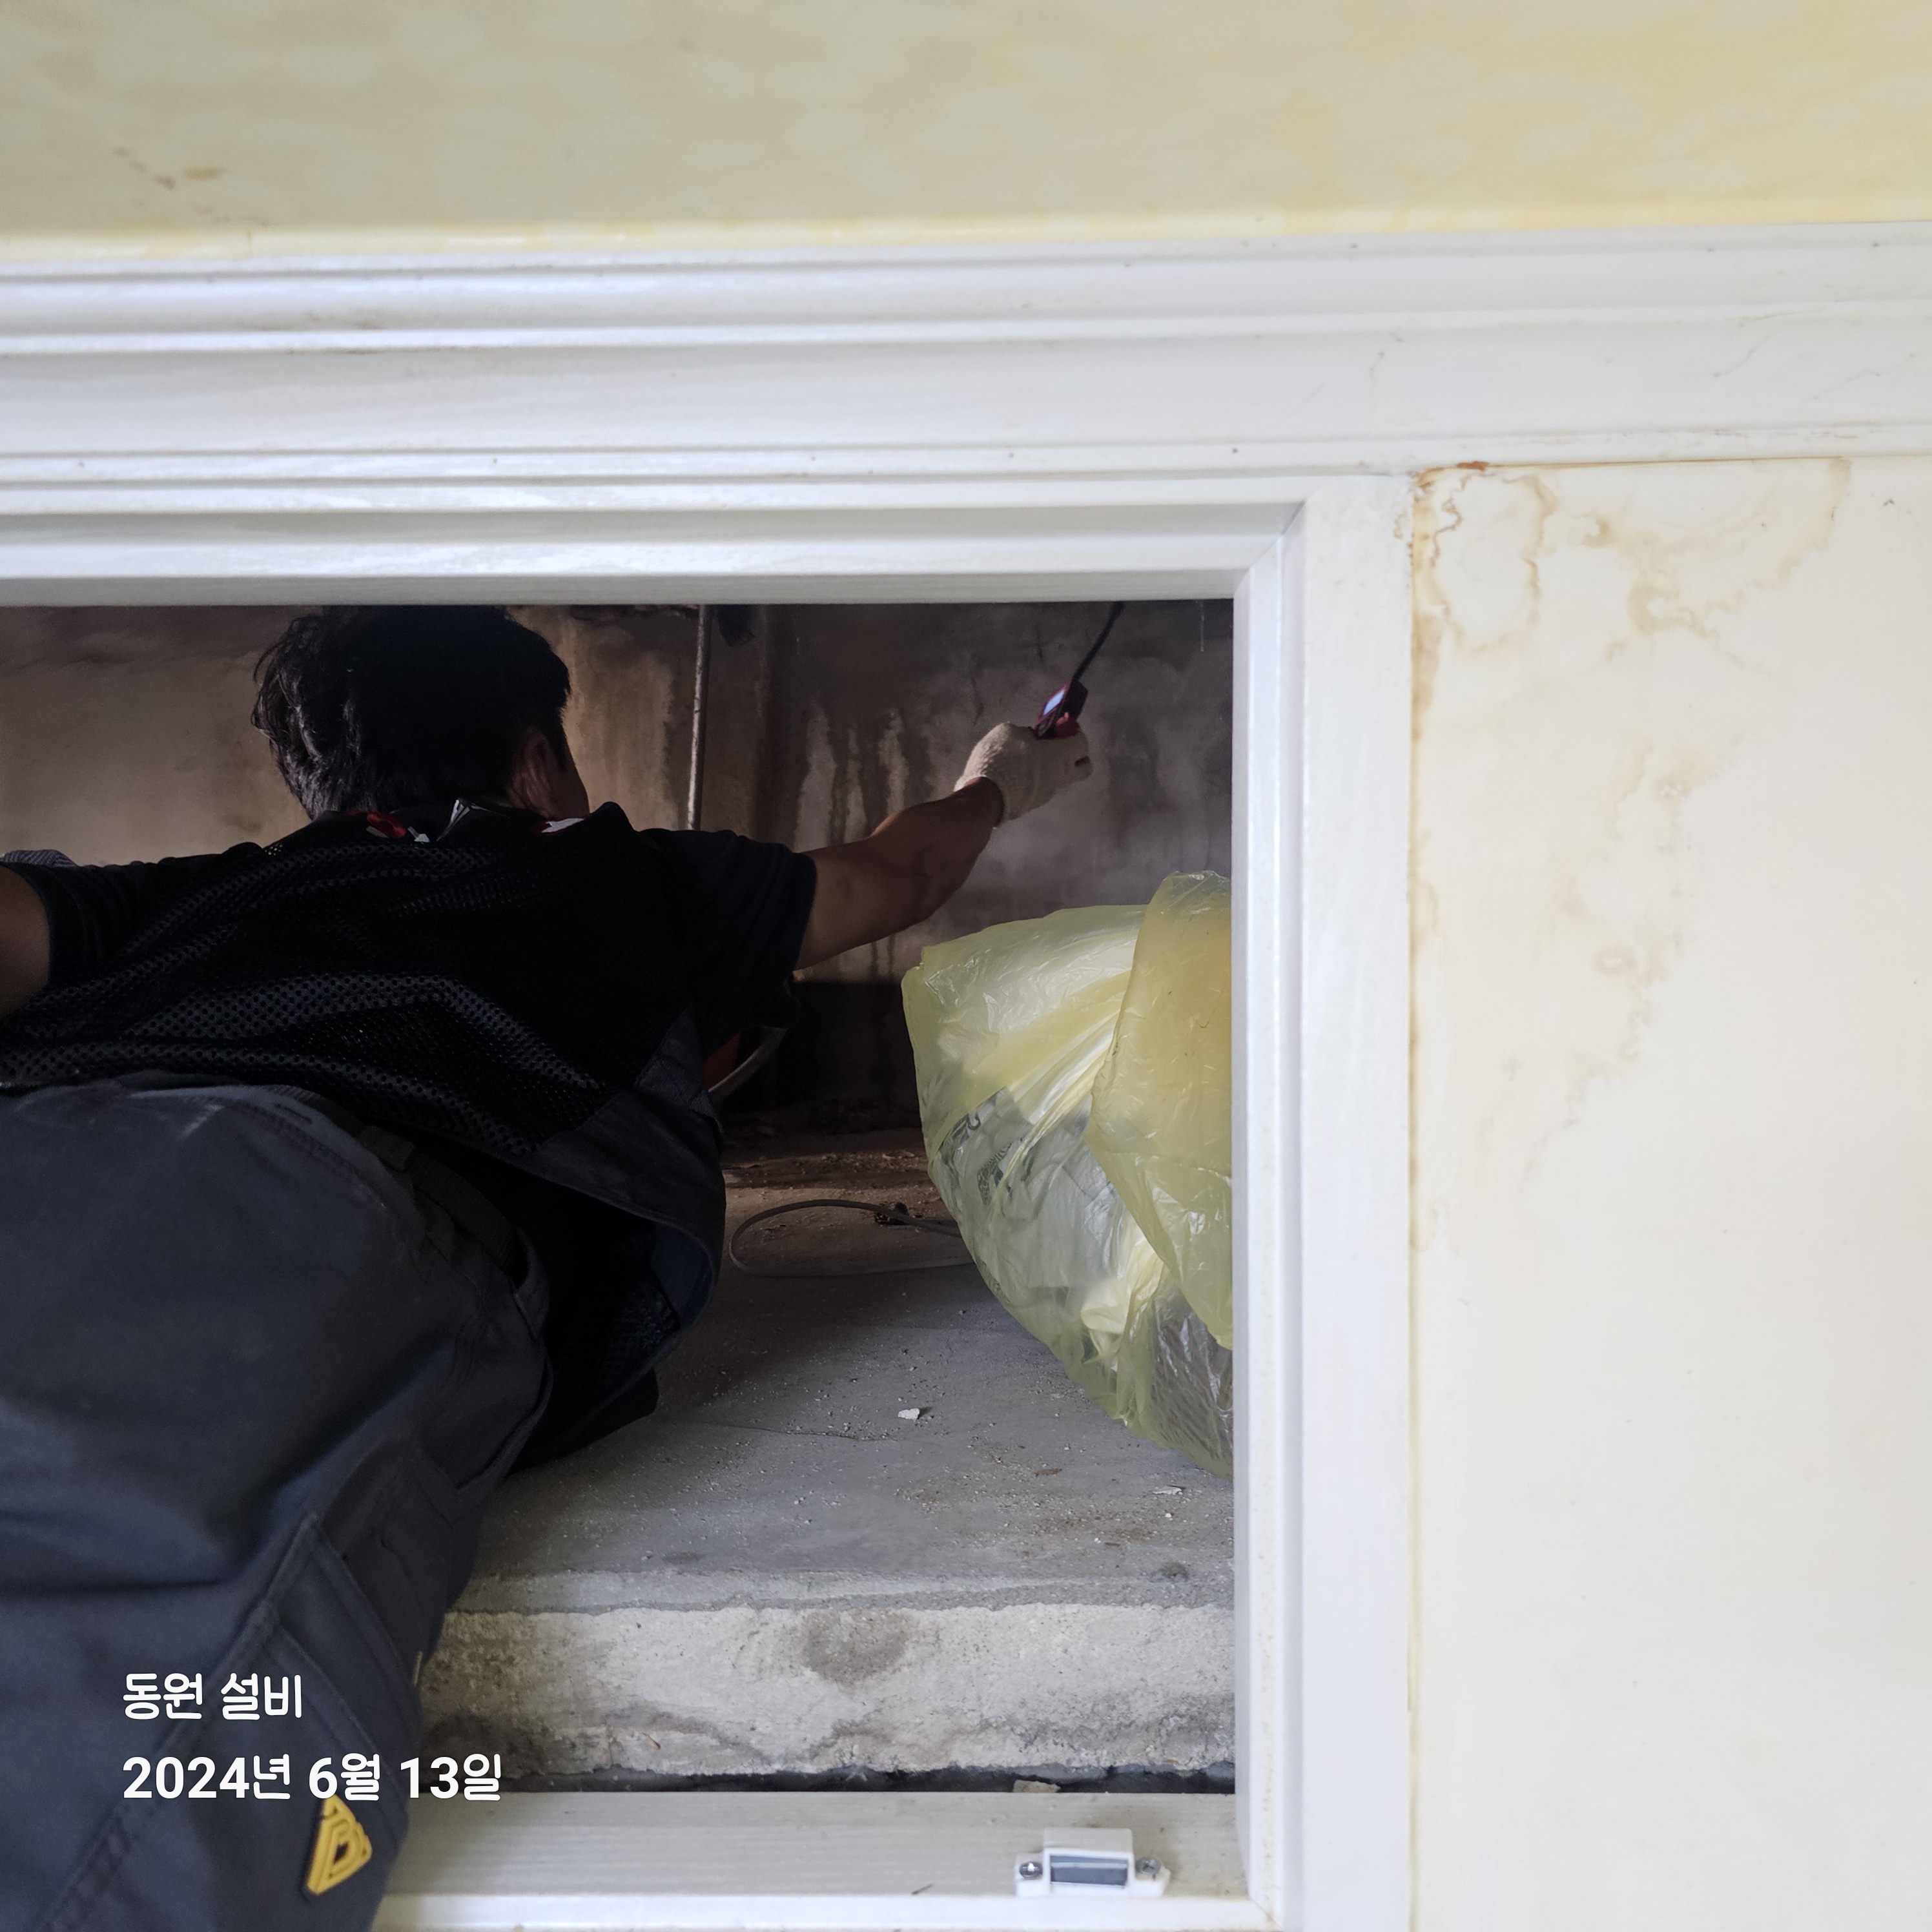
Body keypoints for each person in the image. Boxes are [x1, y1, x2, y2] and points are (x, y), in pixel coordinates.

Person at [0, 605, 1092, 1931]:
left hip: (44, 1137)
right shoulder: (606, 874)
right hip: (302, 1200)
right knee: (127, 1713)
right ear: (534, 765)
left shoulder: (198, 890)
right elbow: (897, 873)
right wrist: (996, 780)